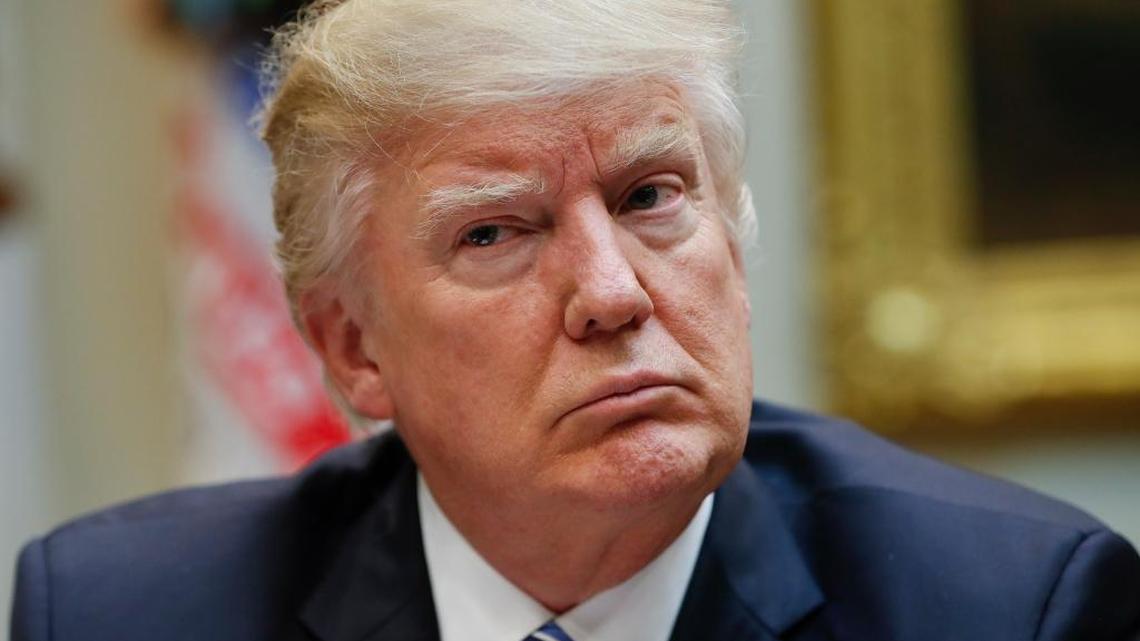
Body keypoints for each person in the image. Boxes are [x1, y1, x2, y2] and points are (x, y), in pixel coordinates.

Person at [10, 1, 1140, 639]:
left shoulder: (1010, 611)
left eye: (651, 197)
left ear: (734, 244)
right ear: (354, 349)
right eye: (496, 232)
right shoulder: (127, 615)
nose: (614, 291)